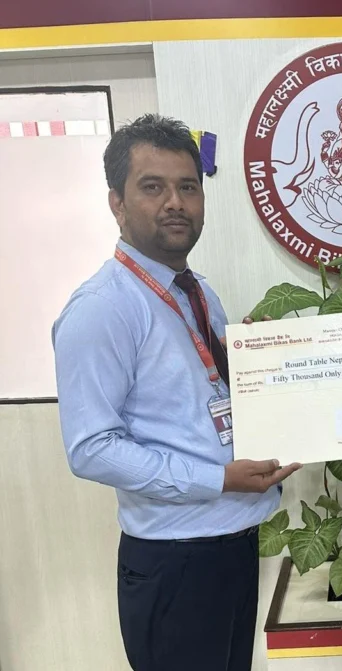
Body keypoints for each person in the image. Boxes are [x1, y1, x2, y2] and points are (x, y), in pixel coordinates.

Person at [52, 114, 301, 671]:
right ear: (117, 203)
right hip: (174, 561)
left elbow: (197, 397)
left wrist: (258, 366)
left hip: (233, 543)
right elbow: (90, 448)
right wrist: (218, 479)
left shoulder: (198, 291)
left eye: (188, 187)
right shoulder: (102, 309)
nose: (175, 203)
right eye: (153, 187)